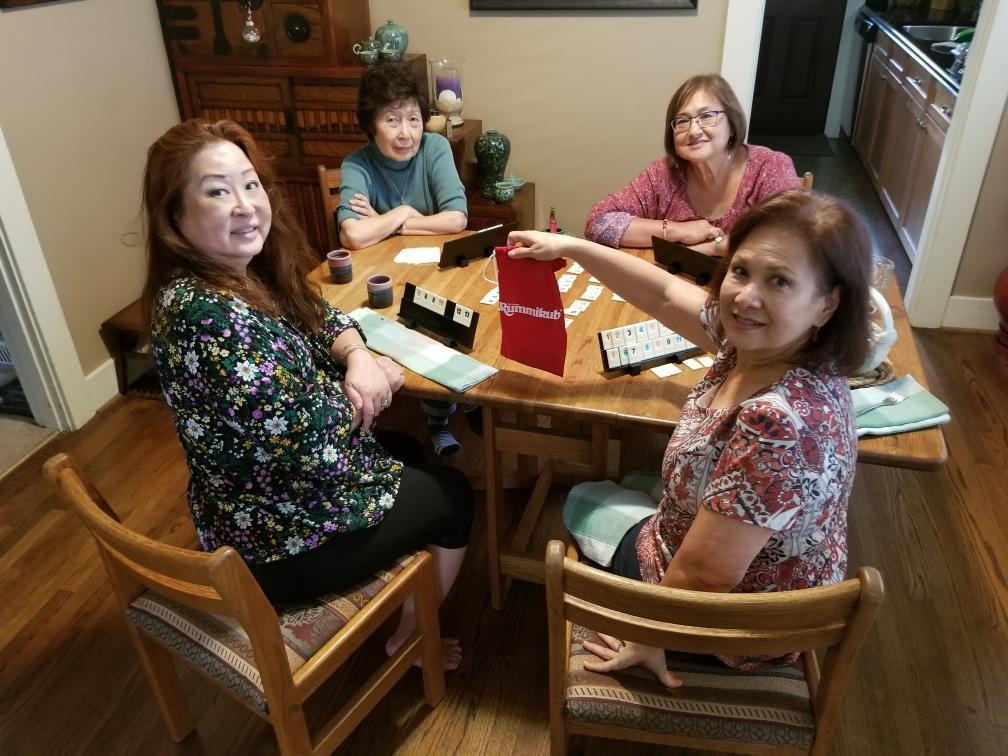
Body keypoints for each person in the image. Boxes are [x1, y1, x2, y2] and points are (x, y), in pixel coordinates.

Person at [140, 118, 472, 670]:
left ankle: (407, 597)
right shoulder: (203, 315)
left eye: (250, 184)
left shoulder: (238, 273)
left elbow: (319, 312)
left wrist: (359, 356)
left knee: (409, 452)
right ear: (174, 214)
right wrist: (376, 384)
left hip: (275, 499)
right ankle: (415, 643)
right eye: (218, 191)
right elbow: (304, 441)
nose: (246, 205)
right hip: (272, 541)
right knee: (455, 494)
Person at [509, 188, 871, 687]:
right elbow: (661, 293)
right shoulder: (777, 347)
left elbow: (706, 577)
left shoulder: (778, 426)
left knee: (581, 495)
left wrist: (651, 637)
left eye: (780, 281)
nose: (745, 296)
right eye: (741, 271)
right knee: (637, 480)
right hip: (764, 573)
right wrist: (571, 247)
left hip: (728, 627)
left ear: (827, 305)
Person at [338, 61, 474, 456]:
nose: (406, 133)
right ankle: (438, 415)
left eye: (413, 119)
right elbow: (353, 234)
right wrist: (402, 215)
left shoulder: (434, 148)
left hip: (438, 270)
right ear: (371, 125)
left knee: (443, 318)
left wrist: (383, 222)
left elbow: (457, 217)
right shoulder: (357, 164)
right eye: (392, 120)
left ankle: (454, 401)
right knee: (403, 323)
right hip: (381, 279)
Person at [584, 73, 802, 254]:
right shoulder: (663, 173)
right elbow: (599, 223)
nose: (694, 131)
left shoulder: (770, 167)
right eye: (682, 121)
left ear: (732, 123)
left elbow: (789, 241)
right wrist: (677, 231)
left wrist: (712, 247)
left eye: (706, 116)